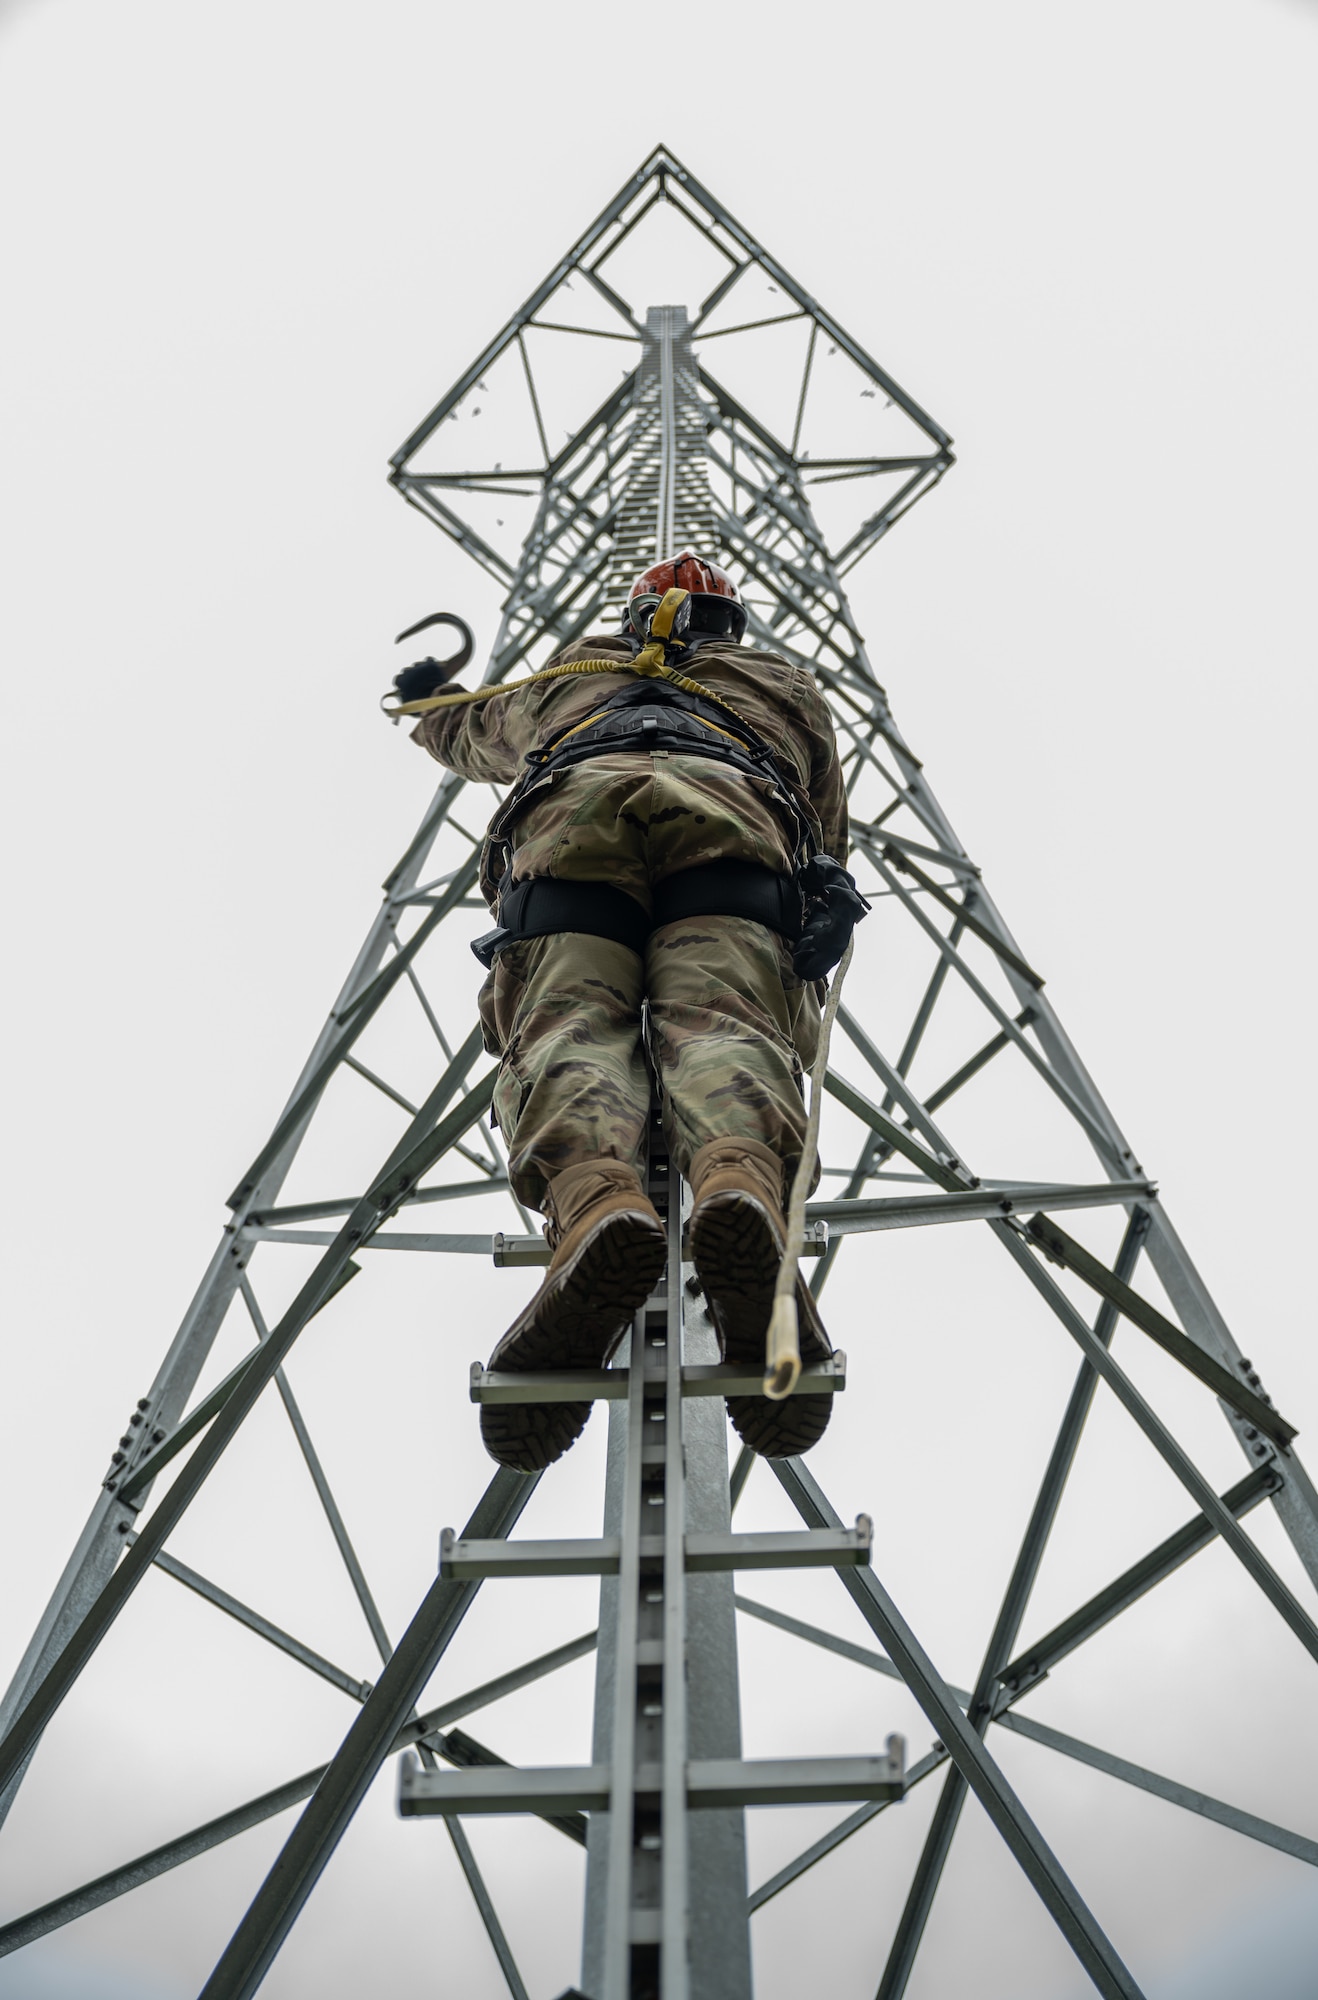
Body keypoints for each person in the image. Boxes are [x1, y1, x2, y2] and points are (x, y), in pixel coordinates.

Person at [393, 555, 867, 1473]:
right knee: (727, 1027)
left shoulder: (573, 670)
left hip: (573, 826)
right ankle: (738, 1189)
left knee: (570, 1032)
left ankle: (597, 1209)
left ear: (635, 611)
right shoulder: (784, 687)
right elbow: (824, 825)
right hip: (730, 824)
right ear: (732, 623)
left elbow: (470, 730)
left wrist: (427, 701)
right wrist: (821, 906)